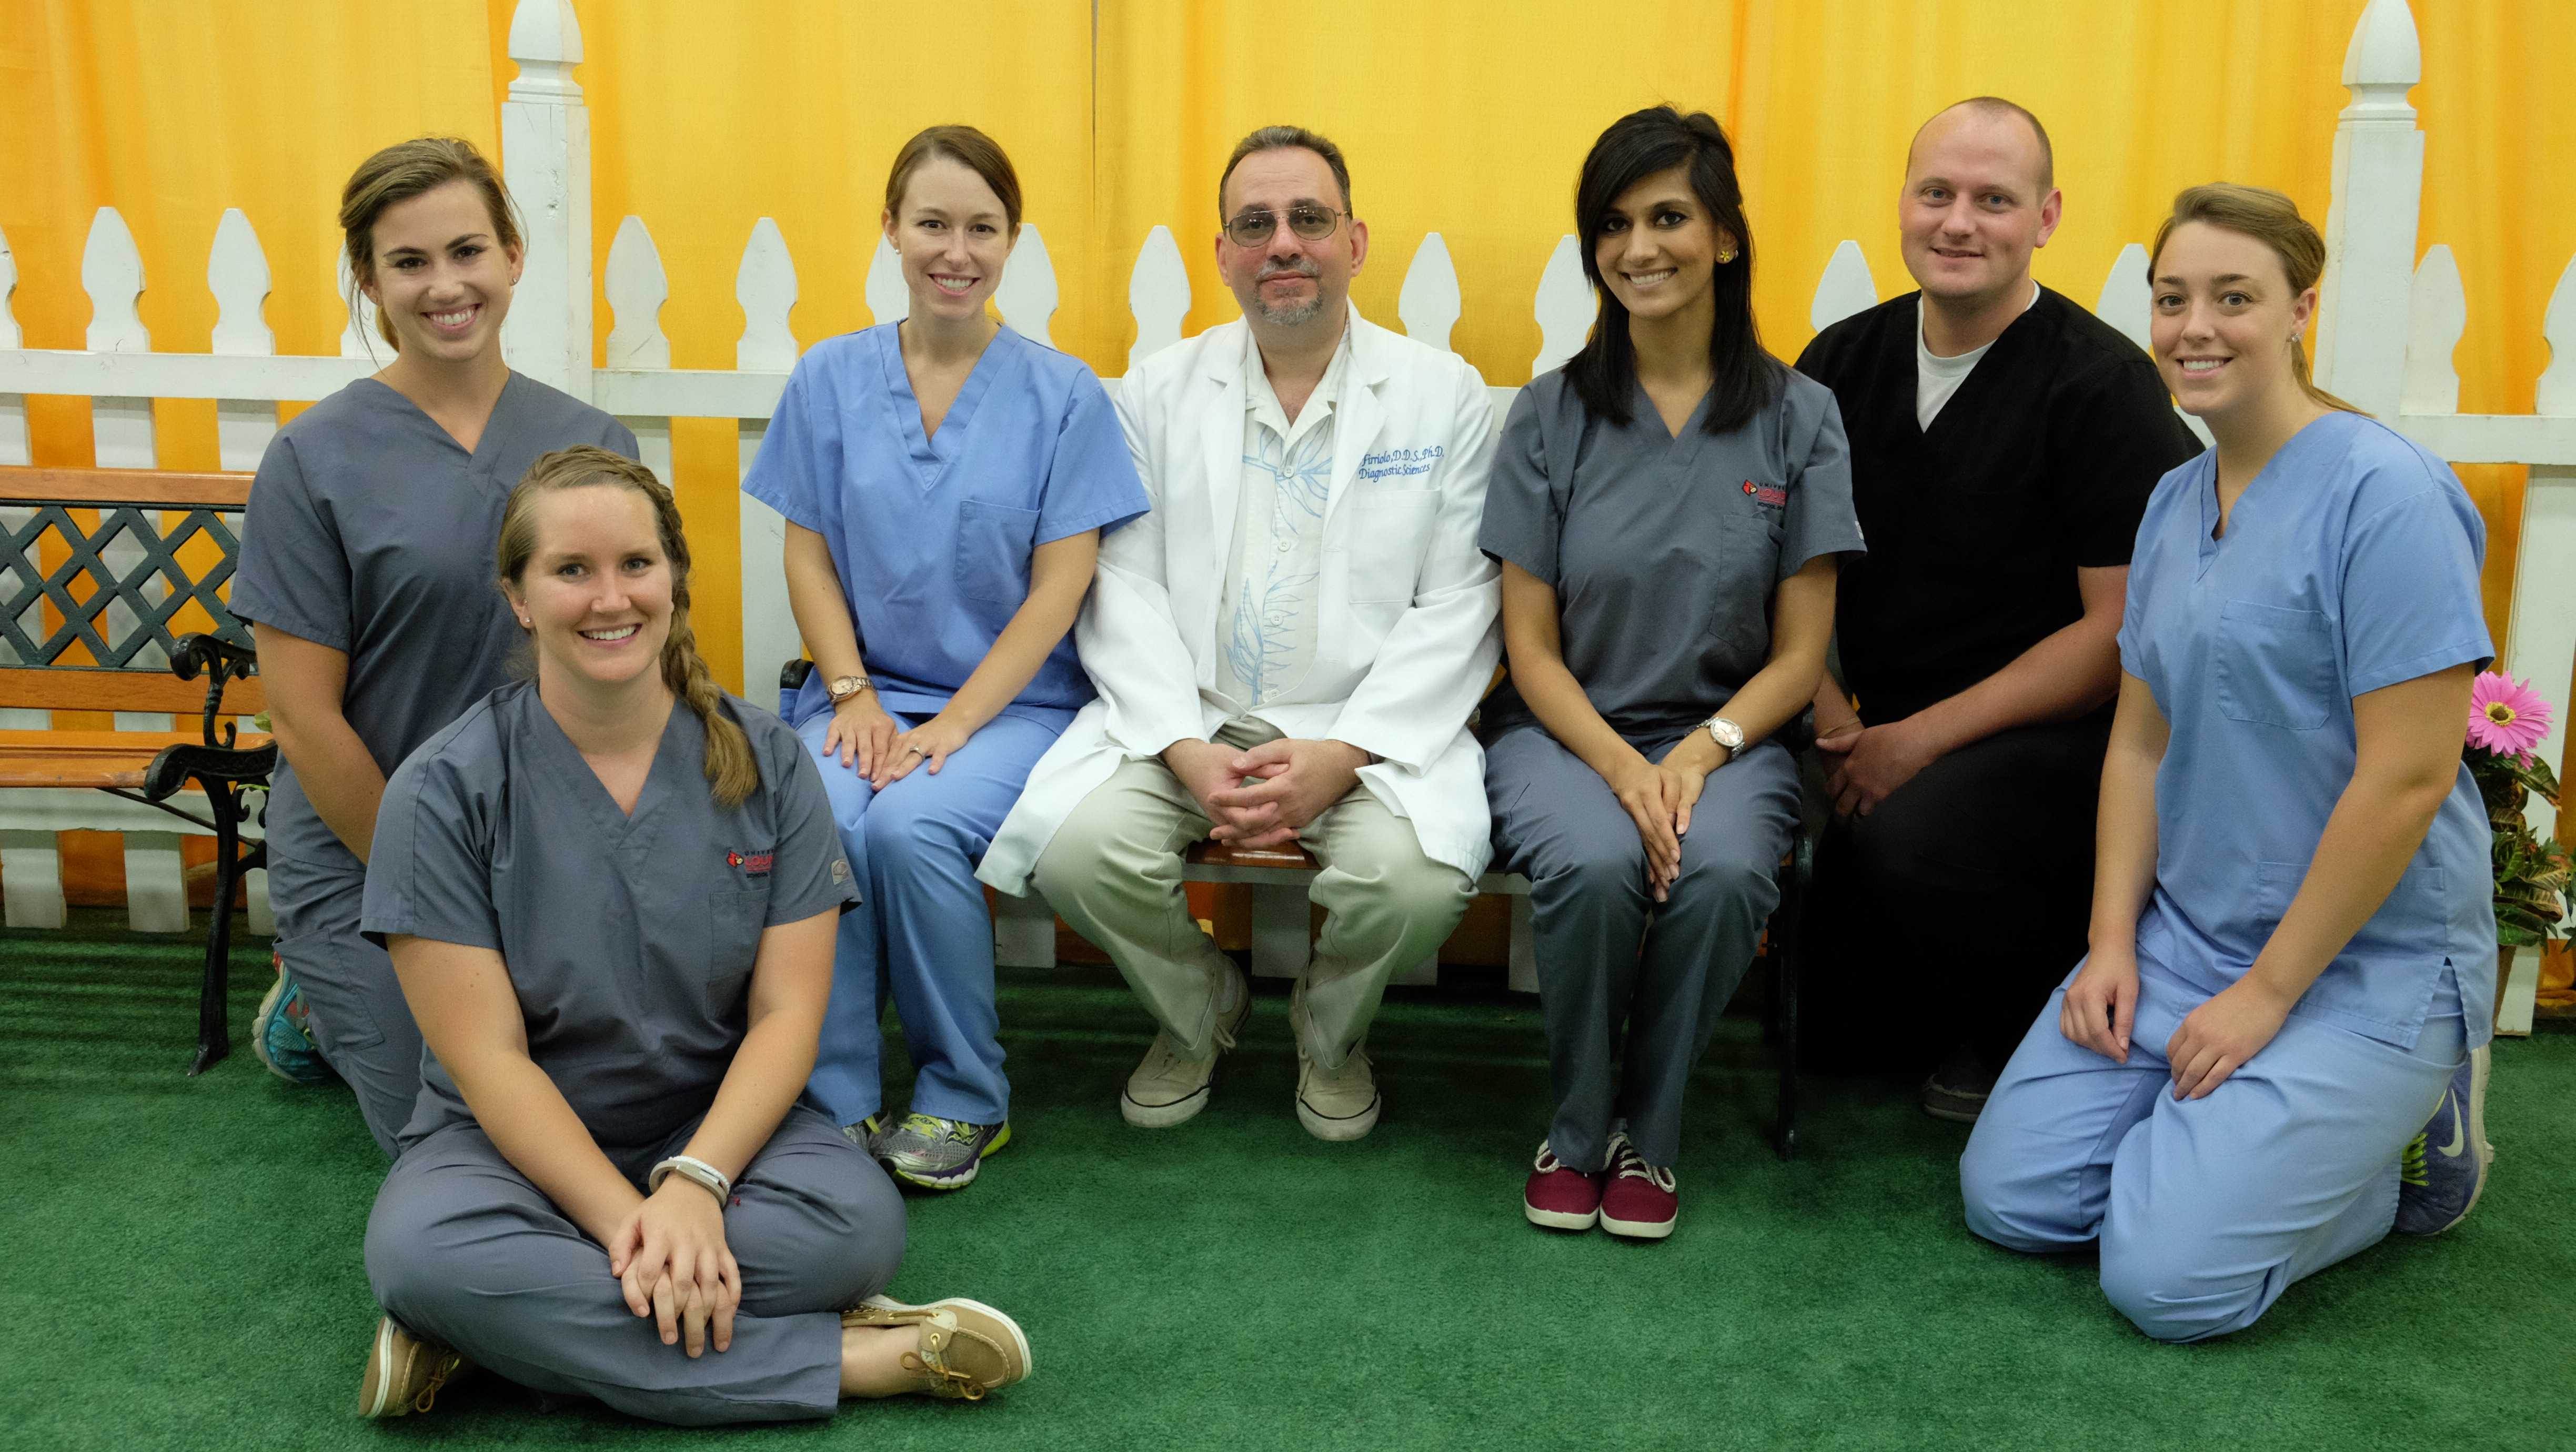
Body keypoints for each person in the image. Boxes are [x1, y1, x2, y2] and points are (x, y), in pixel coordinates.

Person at [357, 447, 1031, 1423]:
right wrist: (636, 1220)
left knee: (855, 1230)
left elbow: (788, 1018)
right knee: (424, 1254)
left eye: (635, 564)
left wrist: (698, 1186)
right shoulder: (443, 789)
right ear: (517, 596)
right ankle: (847, 1363)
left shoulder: (770, 763)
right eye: (570, 571)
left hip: (719, 1134)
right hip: (504, 1150)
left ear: (674, 577)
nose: (608, 599)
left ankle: (492, 1344)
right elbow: (490, 1063)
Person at [1959, 185, 2498, 1343]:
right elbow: (2142, 739)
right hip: (2190, 941)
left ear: (2302, 310)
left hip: (2370, 961)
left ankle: (2400, 1156)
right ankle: (2244, 1142)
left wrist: (2266, 999)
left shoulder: (2388, 497)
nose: (2194, 326)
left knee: (2168, 1284)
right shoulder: (2170, 503)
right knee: (2013, 1200)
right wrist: (2112, 943)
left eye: (2233, 298)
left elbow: (2407, 780)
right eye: (2172, 299)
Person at [979, 125, 1500, 1142]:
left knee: (1415, 885)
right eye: (1255, 225)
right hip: (1192, 717)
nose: (1283, 244)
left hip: (1365, 731)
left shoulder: (1444, 396)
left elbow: (1461, 604)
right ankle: (1200, 1009)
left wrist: (1345, 754)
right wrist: (1185, 749)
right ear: (1222, 254)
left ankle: (1329, 1033)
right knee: (1081, 855)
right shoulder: (1154, 393)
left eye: (1309, 220)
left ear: (1355, 242)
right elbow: (1118, 589)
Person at [741, 126, 1147, 1192]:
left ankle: (964, 1097)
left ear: (1013, 240)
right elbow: (809, 555)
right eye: (932, 223)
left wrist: (955, 724)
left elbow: (1062, 590)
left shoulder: (1062, 397)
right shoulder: (830, 377)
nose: (954, 249)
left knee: (917, 827)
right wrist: (854, 698)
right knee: (820, 820)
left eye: (981, 227)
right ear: (891, 230)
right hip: (858, 695)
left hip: (1009, 705)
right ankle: (829, 1101)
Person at [1483, 108, 1860, 1240]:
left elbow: (1802, 656)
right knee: (1598, 865)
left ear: (1727, 238)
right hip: (1563, 732)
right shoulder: (1550, 416)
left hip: (1733, 736)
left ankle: (1652, 1129)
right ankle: (1579, 1124)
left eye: (1668, 217)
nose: (1639, 247)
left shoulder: (1802, 418)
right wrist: (1621, 767)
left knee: (1730, 867)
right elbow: (1528, 648)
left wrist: (1698, 757)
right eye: (1614, 224)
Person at [1793, 99, 2202, 1120]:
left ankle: (2037, 1029)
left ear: (2048, 216)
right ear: (1903, 201)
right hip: (1869, 727)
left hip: (2055, 741)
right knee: (1839, 1038)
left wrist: (1913, 745)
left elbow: (2118, 632)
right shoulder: (1839, 363)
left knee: (1915, 840)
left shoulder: (2101, 386)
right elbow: (1776, 570)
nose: (1959, 222)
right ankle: (1948, 993)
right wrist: (1839, 720)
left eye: (1994, 200)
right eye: (1937, 193)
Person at [231, 137, 638, 1155]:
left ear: (513, 254)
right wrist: (429, 889)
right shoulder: (311, 459)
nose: (446, 286)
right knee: (462, 1136)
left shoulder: (593, 445)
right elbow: (301, 717)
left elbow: (635, 672)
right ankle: (322, 990)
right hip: (372, 854)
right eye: (409, 262)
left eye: (468, 251)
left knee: (616, 1100)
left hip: (548, 846)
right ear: (369, 280)